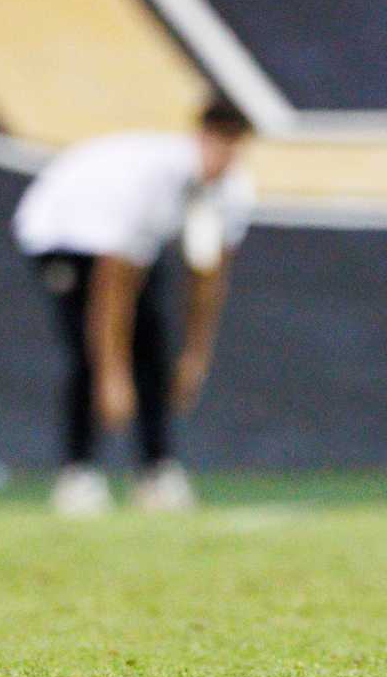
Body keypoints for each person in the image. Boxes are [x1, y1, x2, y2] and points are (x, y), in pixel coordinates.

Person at [14, 95, 255, 515]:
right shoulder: (149, 181)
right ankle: (78, 473)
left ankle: (156, 471)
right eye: (219, 145)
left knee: (153, 350)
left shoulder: (230, 190)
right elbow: (111, 287)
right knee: (88, 355)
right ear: (201, 138)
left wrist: (195, 354)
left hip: (127, 248)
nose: (224, 159)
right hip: (62, 231)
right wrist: (113, 375)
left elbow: (208, 274)